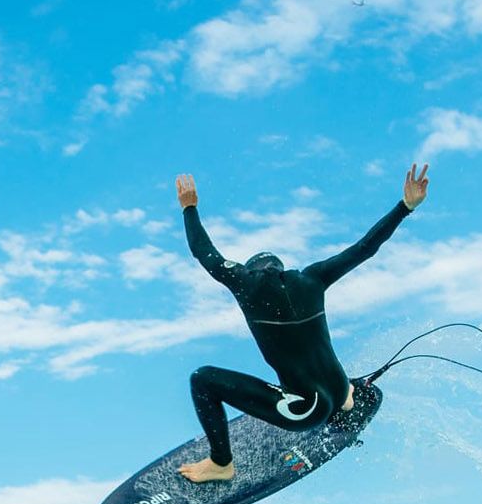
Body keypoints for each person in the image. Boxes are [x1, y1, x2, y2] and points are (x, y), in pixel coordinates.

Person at [175, 164, 430, 483]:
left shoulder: (246, 285)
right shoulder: (311, 278)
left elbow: (204, 253)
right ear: (283, 268)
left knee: (203, 379)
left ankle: (220, 464)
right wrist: (405, 207)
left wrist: (189, 208)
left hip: (306, 410)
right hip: (339, 392)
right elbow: (365, 248)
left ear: (253, 270)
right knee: (321, 368)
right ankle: (348, 403)